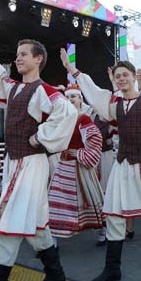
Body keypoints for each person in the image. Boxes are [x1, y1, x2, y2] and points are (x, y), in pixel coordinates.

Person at [0, 20, 77, 281]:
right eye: (17, 55)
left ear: (38, 59)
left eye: (24, 54)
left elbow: (67, 114)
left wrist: (40, 137)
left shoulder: (45, 91)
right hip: (14, 161)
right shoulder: (13, 88)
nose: (18, 58)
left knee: (10, 217)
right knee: (35, 223)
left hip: (32, 162)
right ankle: (56, 274)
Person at [64, 53, 141, 281]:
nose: (121, 79)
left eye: (125, 75)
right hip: (123, 164)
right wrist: (72, 69)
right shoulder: (115, 103)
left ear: (133, 77)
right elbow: (94, 93)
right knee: (114, 213)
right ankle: (112, 268)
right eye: (118, 76)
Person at [48, 85, 103, 240]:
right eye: (68, 97)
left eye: (74, 96)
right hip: (62, 165)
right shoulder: (63, 119)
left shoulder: (83, 119)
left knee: (91, 196)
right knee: (56, 199)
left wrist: (79, 153)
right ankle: (54, 239)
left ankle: (102, 230)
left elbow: (95, 138)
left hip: (79, 166)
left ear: (80, 99)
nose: (70, 99)